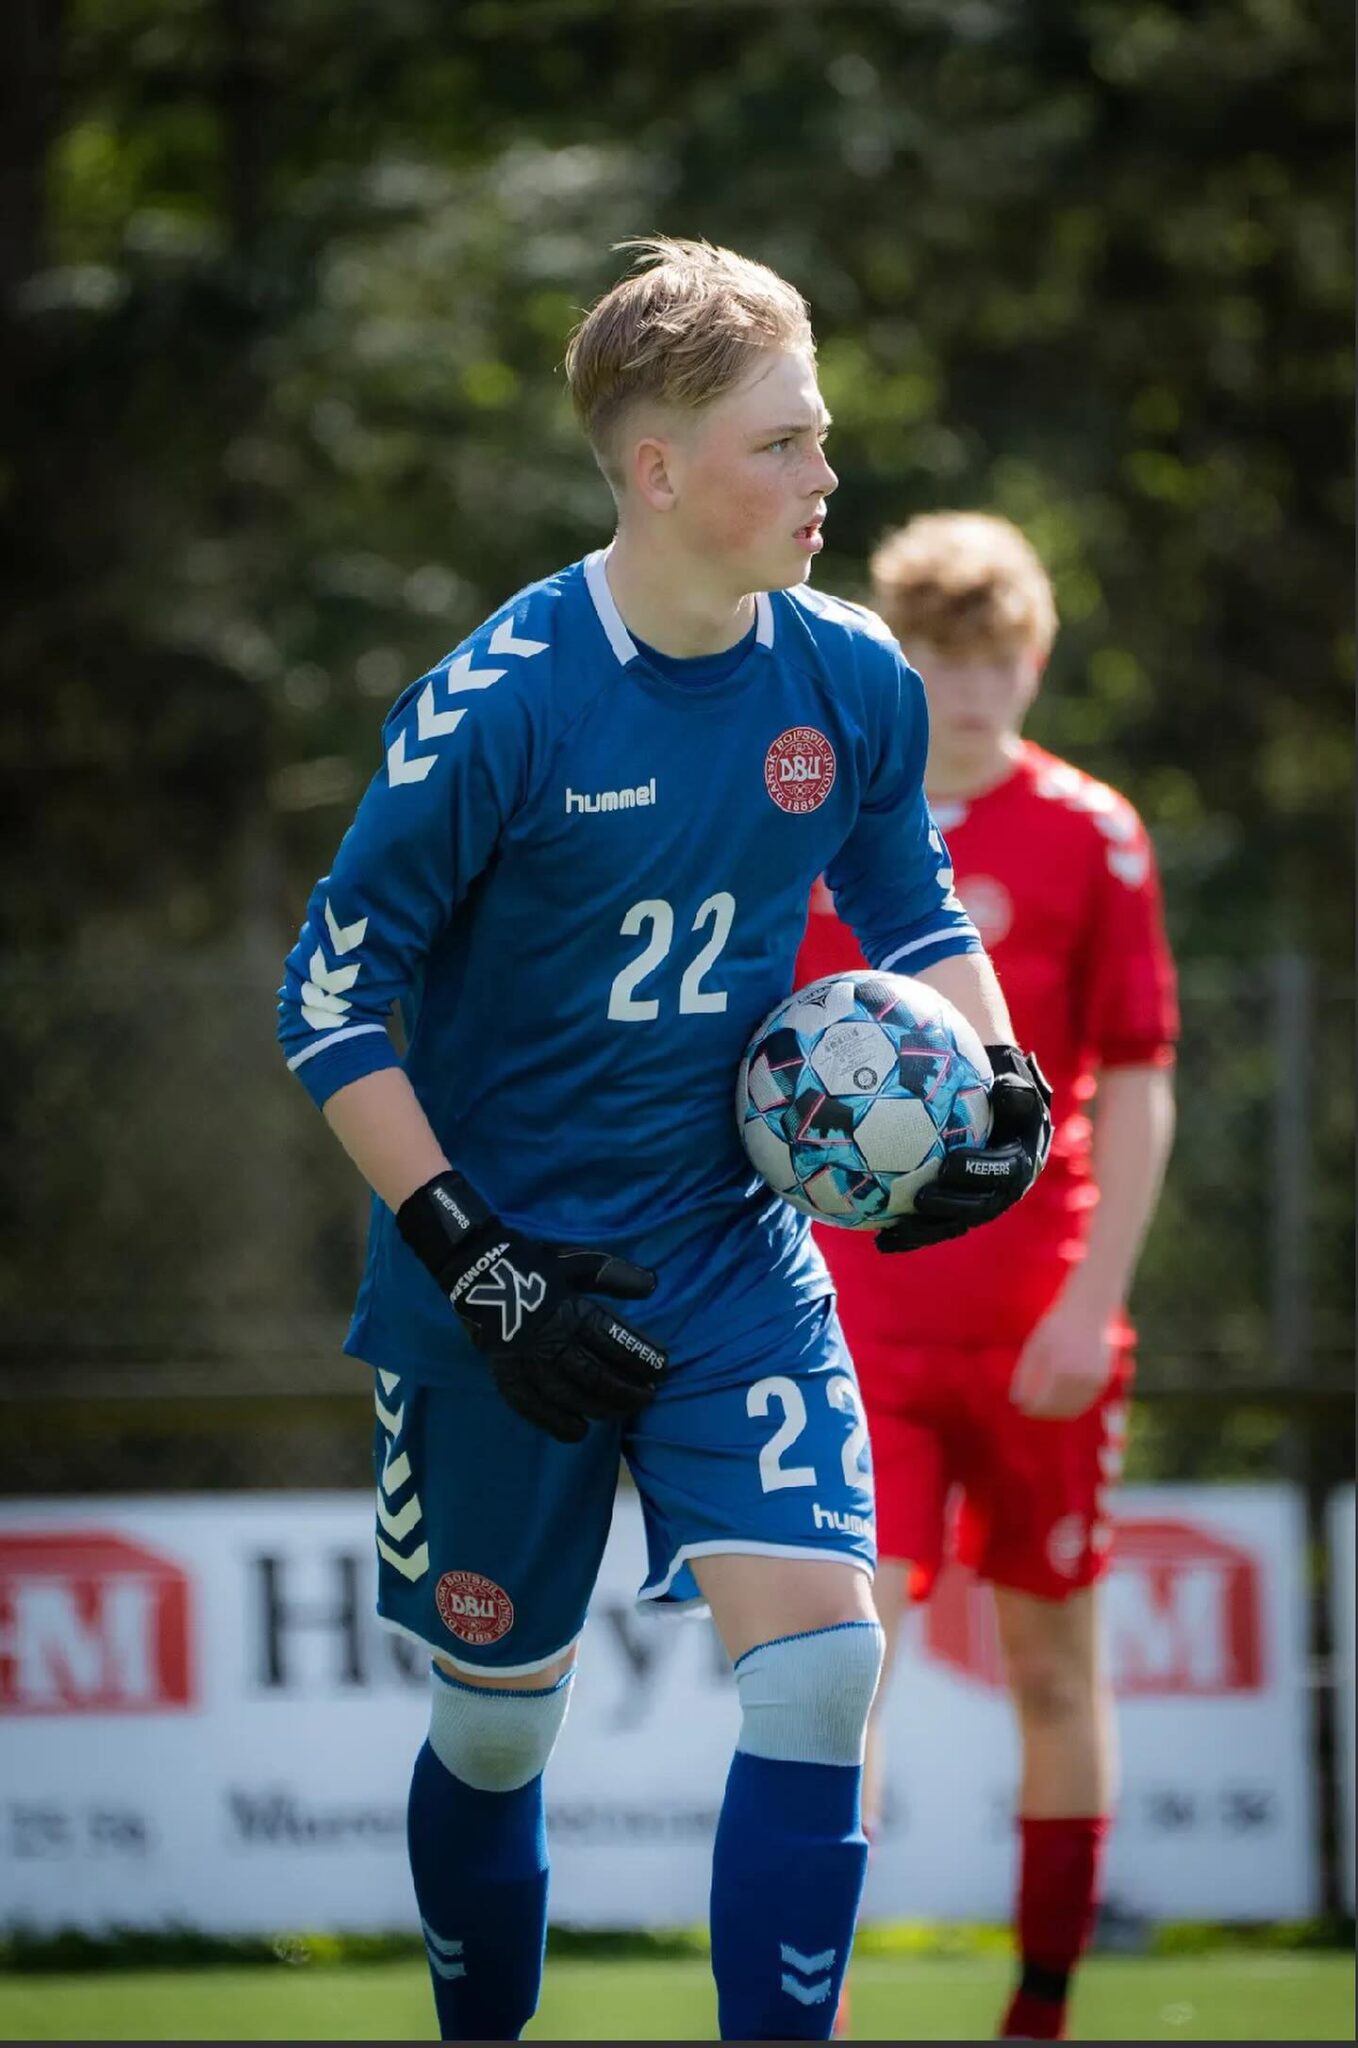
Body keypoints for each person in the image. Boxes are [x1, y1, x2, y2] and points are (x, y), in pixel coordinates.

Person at [277, 243, 1051, 2043]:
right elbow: (327, 1002)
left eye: (821, 436)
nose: (823, 478)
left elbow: (905, 898)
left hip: (726, 1255)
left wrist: (995, 1081)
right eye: (782, 443)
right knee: (495, 1722)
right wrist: (478, 1255)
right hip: (495, 1289)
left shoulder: (851, 676)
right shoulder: (503, 705)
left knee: (825, 1668)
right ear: (656, 471)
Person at [796, 511, 1178, 2042]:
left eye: (997, 651)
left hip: (1038, 1324)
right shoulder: (823, 829)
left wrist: (1093, 1297)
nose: (971, 684)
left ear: (1036, 657)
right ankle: (800, 1995)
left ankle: (1040, 2011)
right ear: (901, 661)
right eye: (940, 654)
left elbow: (1139, 1076)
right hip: (852, 1324)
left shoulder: (1094, 833)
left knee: (1050, 1666)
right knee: (833, 1670)